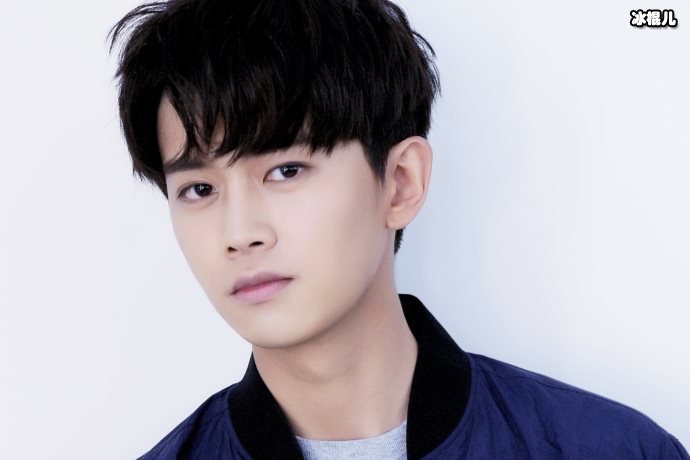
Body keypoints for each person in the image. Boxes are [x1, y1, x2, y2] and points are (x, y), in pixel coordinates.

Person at [109, 0, 689, 458]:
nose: (239, 233)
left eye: (285, 170)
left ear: (400, 183)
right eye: (199, 189)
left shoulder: (609, 449)